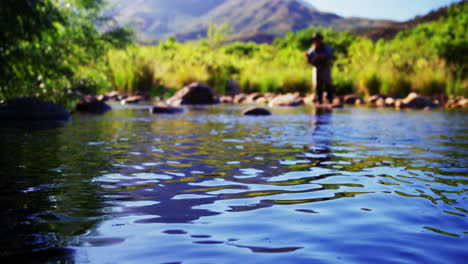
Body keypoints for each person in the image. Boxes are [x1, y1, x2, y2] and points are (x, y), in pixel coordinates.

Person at [306, 33, 334, 105]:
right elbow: (308, 57)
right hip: (316, 68)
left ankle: (330, 99)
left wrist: (322, 57)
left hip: (325, 68)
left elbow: (330, 55)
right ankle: (319, 100)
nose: (316, 41)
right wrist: (310, 60)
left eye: (318, 39)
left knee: (328, 83)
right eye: (315, 39)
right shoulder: (312, 49)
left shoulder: (326, 48)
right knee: (317, 85)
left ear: (321, 39)